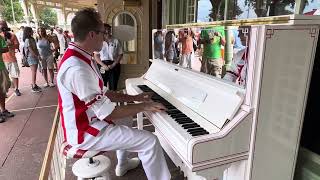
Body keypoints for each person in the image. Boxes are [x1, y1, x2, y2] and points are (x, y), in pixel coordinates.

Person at [57, 8, 170, 180]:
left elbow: (105, 93)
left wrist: (135, 98)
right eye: (103, 32)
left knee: (126, 119)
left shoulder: (82, 56)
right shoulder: (77, 69)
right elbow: (108, 112)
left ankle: (122, 164)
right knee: (150, 141)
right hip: (84, 132)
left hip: (90, 120)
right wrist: (145, 106)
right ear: (92, 35)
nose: (106, 36)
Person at [93, 23, 123, 91]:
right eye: (105, 30)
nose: (107, 31)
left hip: (114, 65)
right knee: (102, 87)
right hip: (102, 65)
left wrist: (113, 65)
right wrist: (103, 65)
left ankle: (113, 101)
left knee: (113, 86)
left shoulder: (116, 41)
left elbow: (120, 54)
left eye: (109, 30)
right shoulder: (98, 41)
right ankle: (104, 101)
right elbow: (96, 55)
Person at [0, 20, 21, 96]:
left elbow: (17, 46)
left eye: (3, 24)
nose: (2, 26)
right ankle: (4, 92)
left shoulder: (12, 35)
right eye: (1, 25)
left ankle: (16, 89)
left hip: (12, 58)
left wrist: (10, 44)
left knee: (14, 75)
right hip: (2, 60)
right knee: (4, 78)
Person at [0, 32, 14, 123]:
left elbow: (5, 48)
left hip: (1, 67)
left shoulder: (0, 37)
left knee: (3, 89)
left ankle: (3, 110)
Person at [23, 27, 42, 92]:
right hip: (31, 57)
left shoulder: (32, 39)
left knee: (34, 71)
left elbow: (35, 48)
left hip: (34, 57)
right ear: (28, 32)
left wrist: (38, 55)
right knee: (33, 72)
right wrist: (37, 56)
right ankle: (33, 86)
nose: (32, 32)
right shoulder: (27, 40)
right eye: (31, 31)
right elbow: (30, 50)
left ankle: (34, 84)